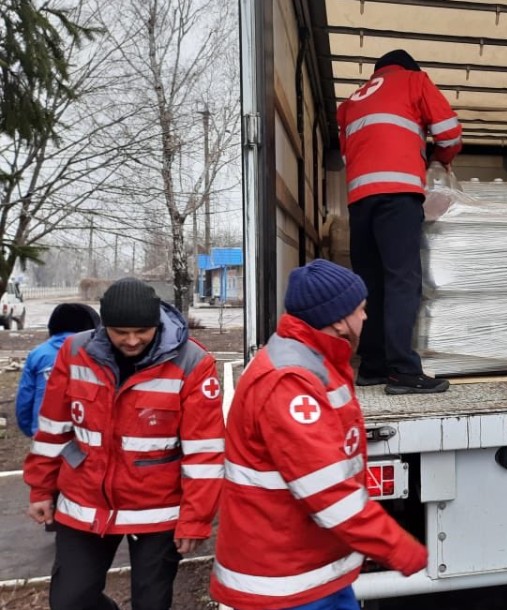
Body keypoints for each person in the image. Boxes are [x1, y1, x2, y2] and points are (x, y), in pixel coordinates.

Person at [211, 259, 428, 610]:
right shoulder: (290, 381)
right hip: (284, 584)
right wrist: (399, 548)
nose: (366, 317)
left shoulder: (314, 360)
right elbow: (331, 493)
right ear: (339, 320)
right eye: (361, 309)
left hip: (310, 570)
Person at [23, 278, 224, 610]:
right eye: (121, 332)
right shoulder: (75, 353)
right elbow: (52, 430)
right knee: (70, 601)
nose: (132, 340)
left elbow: (204, 451)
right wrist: (41, 489)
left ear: (156, 324)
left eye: (142, 331)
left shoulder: (193, 363)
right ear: (105, 327)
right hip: (84, 500)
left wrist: (195, 518)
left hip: (157, 509)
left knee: (151, 603)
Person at [337, 48, 462, 394]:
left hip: (359, 202)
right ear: (409, 68)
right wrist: (438, 158)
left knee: (371, 282)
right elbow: (450, 134)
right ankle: (404, 371)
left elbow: (349, 153)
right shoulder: (413, 81)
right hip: (398, 195)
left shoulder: (350, 103)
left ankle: (373, 366)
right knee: (402, 281)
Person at [16, 303, 101, 437]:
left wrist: (31, 429)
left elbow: (25, 398)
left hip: (45, 433)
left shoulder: (38, 354)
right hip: (88, 436)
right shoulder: (98, 354)